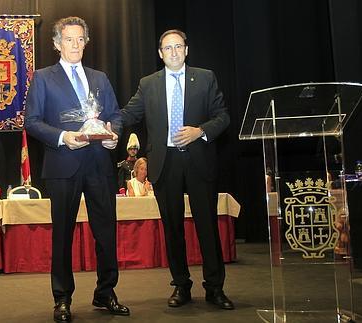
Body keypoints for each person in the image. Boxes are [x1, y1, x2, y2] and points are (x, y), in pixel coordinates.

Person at [25, 16, 129, 322]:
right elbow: (31, 121)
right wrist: (62, 137)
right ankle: (62, 298)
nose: (75, 45)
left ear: (86, 42)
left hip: (99, 164)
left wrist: (113, 137)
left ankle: (106, 292)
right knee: (63, 235)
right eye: (68, 39)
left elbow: (115, 115)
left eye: (80, 39)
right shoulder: (43, 77)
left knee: (106, 233)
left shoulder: (100, 77)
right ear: (57, 44)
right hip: (63, 165)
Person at [121, 29, 233, 310]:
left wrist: (200, 132)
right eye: (167, 48)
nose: (173, 52)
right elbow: (128, 114)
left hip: (199, 160)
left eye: (178, 47)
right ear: (160, 53)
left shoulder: (205, 78)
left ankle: (215, 288)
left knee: (207, 226)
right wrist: (98, 122)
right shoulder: (148, 84)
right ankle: (181, 285)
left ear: (186, 50)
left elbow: (223, 117)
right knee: (172, 230)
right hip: (165, 163)